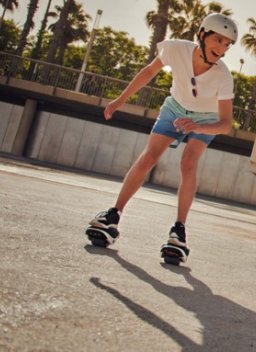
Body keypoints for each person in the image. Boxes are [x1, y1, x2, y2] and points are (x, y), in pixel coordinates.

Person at [86, 13, 238, 257]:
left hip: (206, 119)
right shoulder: (176, 49)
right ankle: (113, 215)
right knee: (148, 157)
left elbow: (225, 124)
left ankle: (179, 232)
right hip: (174, 108)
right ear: (202, 34)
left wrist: (197, 127)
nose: (222, 48)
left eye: (227, 44)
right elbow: (149, 72)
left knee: (188, 162)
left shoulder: (223, 76)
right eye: (218, 40)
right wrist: (120, 100)